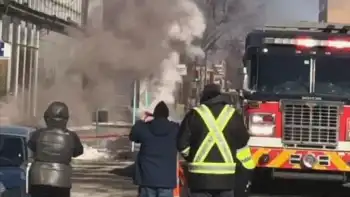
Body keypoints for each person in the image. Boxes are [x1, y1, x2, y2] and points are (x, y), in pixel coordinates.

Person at [177, 84, 255, 197]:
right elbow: (242, 142)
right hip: (226, 180)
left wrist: (193, 157)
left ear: (203, 96)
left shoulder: (194, 114)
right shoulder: (233, 115)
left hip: (199, 180)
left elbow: (181, 144)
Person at [28, 101, 84, 197]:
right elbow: (78, 151)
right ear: (66, 119)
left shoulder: (38, 134)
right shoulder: (71, 136)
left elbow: (31, 146)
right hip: (62, 179)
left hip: (38, 178)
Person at [129, 101, 179, 197]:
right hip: (167, 180)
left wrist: (142, 120)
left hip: (147, 178)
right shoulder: (174, 129)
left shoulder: (145, 128)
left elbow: (133, 136)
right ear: (167, 115)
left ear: (154, 114)